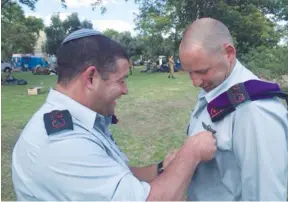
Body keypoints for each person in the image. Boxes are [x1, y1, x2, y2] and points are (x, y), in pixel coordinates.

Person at [11, 29, 217, 201]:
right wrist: (192, 152)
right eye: (121, 80)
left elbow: (117, 176)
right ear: (91, 77)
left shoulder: (78, 121)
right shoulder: (63, 145)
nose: (125, 90)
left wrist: (162, 168)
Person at [179, 18, 288, 201]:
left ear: (229, 53)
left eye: (202, 71)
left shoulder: (256, 111)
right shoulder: (216, 88)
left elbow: (265, 195)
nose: (195, 82)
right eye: (189, 72)